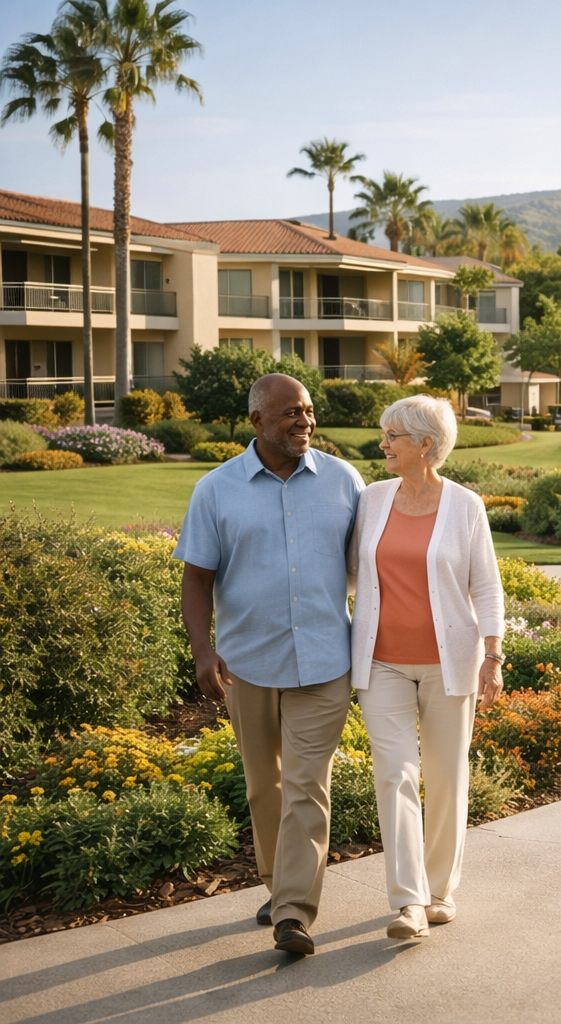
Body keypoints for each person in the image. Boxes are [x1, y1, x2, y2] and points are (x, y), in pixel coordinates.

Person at [176, 373, 365, 957]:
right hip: (249, 665)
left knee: (307, 785)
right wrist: (203, 650)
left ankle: (292, 913)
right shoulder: (215, 489)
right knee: (266, 788)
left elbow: (373, 567)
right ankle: (277, 881)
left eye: (307, 411)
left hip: (326, 662)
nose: (303, 421)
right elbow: (197, 578)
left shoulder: (344, 481)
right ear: (257, 421)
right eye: (288, 413)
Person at [350, 395, 506, 939]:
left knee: (445, 777)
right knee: (395, 773)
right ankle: (409, 903)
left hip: (450, 663)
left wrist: (493, 655)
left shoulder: (465, 506)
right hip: (382, 663)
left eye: (393, 434)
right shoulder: (371, 499)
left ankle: (440, 891)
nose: (383, 443)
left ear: (426, 445)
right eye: (384, 432)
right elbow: (350, 573)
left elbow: (485, 586)